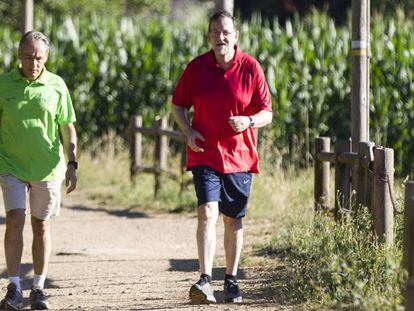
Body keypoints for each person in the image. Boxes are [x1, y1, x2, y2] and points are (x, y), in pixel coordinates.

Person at [172, 11, 272, 304]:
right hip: (205, 154)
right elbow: (177, 105)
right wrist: (188, 130)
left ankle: (230, 278)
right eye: (215, 32)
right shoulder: (196, 68)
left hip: (240, 156)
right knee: (206, 212)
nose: (221, 37)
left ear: (235, 36)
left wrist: (249, 121)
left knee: (233, 220)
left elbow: (268, 112)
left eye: (226, 32)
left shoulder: (250, 67)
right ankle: (204, 279)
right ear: (209, 37)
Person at [0, 31, 77, 310]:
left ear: (46, 58)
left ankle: (39, 288)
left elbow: (68, 125)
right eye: (28, 57)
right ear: (19, 57)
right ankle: (14, 286)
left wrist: (73, 162)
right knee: (15, 219)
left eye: (39, 58)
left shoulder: (56, 85)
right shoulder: (3, 84)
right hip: (11, 164)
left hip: (47, 166)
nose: (34, 63)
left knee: (40, 224)